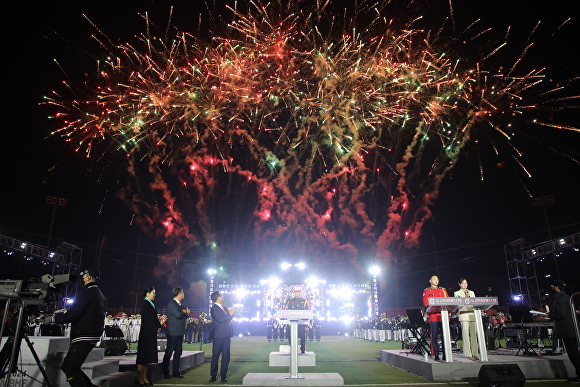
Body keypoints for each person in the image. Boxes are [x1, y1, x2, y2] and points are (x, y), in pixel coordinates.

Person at [44, 267, 106, 387]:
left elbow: (74, 314)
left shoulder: (87, 292)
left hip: (84, 334)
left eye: (83, 277)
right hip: (91, 334)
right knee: (72, 367)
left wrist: (54, 318)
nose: (81, 280)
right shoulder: (99, 294)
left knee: (69, 367)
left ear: (88, 277)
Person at [547, 280, 580, 383]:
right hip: (571, 328)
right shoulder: (566, 297)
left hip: (567, 330)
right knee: (574, 353)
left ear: (557, 287)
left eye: (553, 286)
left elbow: (562, 315)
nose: (552, 288)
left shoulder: (560, 299)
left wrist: (550, 315)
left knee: (573, 354)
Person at [162, 287, 190, 379]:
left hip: (179, 331)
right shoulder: (172, 304)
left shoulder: (180, 304)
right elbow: (178, 315)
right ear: (178, 294)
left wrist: (186, 313)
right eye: (182, 293)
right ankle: (165, 372)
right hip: (173, 332)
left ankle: (176, 372)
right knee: (169, 351)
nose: (183, 295)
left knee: (178, 352)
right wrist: (184, 312)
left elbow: (183, 315)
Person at [136, 286, 162, 386]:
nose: (154, 294)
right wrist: (154, 328)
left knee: (147, 358)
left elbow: (155, 318)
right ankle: (140, 378)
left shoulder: (151, 304)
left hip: (151, 334)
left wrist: (159, 326)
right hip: (146, 334)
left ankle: (145, 377)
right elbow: (147, 320)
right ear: (147, 293)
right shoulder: (145, 304)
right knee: (143, 357)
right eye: (153, 292)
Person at [209, 291, 237, 382]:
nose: (223, 296)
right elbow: (220, 319)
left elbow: (229, 318)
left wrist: (231, 314)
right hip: (218, 336)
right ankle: (213, 376)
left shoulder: (224, 307)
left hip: (226, 335)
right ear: (217, 298)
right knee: (215, 357)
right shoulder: (214, 308)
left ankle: (223, 375)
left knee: (226, 356)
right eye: (221, 295)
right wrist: (230, 314)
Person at [422, 275, 448, 361]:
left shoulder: (443, 290)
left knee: (445, 336)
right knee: (435, 336)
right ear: (430, 281)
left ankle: (446, 354)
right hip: (433, 316)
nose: (436, 281)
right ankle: (436, 354)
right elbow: (426, 303)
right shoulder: (427, 291)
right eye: (434, 279)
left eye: (437, 279)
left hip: (443, 316)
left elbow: (448, 301)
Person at [453, 277, 479, 360]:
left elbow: (474, 303)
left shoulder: (471, 292)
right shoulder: (457, 293)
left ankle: (475, 353)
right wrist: (466, 297)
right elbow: (459, 305)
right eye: (463, 283)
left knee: (473, 335)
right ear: (459, 284)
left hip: (471, 314)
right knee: (465, 334)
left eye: (466, 283)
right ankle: (468, 353)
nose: (465, 285)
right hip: (463, 315)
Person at [285, 287, 309, 353]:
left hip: (301, 321)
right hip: (293, 321)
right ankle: (292, 348)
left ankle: (303, 349)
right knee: (292, 335)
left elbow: (306, 310)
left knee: (302, 336)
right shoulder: (290, 300)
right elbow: (288, 310)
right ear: (294, 292)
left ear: (300, 292)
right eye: (296, 292)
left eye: (298, 292)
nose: (297, 293)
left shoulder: (304, 301)